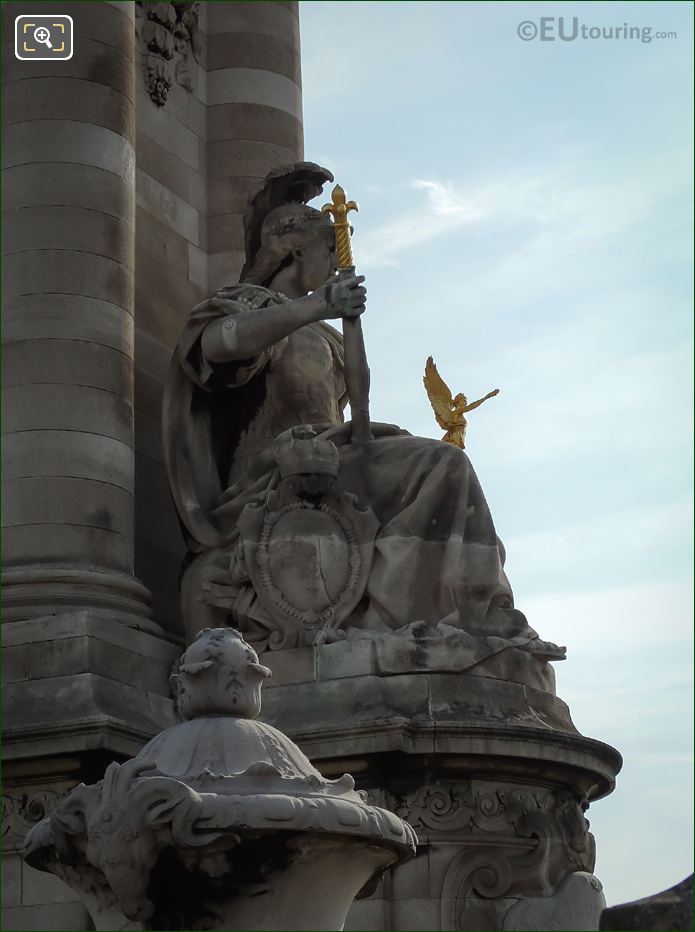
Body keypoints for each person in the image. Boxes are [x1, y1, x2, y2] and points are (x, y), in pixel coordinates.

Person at [162, 164, 533, 651]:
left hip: (336, 458)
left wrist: (330, 316)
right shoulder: (249, 303)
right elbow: (215, 346)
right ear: (295, 249)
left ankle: (461, 614)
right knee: (442, 464)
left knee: (441, 466)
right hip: (271, 472)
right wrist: (317, 305)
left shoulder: (329, 336)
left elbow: (352, 409)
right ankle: (457, 613)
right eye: (327, 251)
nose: (337, 265)